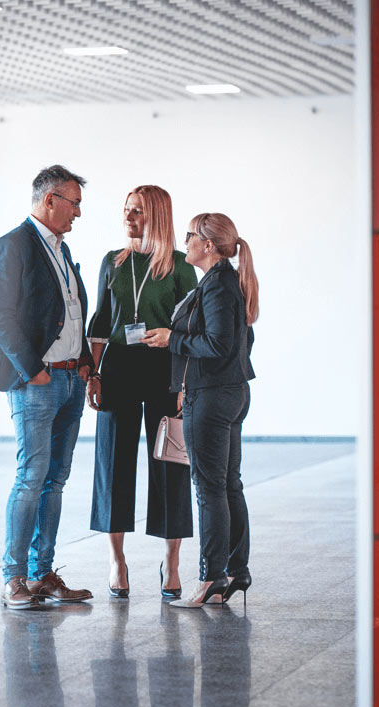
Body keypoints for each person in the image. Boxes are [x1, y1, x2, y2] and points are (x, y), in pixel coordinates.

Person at [0, 165, 96, 610]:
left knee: (55, 480)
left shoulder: (62, 250)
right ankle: (14, 578)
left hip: (69, 378)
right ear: (50, 200)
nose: (78, 214)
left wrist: (85, 363)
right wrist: (33, 371)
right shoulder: (13, 245)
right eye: (74, 203)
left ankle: (42, 573)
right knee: (31, 479)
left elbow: (70, 313)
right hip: (38, 381)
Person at [142, 212, 258, 608]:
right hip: (228, 393)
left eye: (190, 235)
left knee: (210, 489)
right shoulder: (223, 282)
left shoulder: (218, 285)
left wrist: (172, 339)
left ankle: (211, 578)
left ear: (208, 245)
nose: (185, 240)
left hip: (210, 397)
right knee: (228, 485)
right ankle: (234, 571)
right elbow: (243, 339)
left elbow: (219, 344)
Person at [85, 185, 196, 599]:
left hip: (165, 367)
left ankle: (172, 561)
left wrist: (186, 382)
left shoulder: (182, 267)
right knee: (113, 464)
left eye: (138, 212)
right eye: (126, 210)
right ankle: (117, 560)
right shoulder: (112, 263)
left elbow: (191, 328)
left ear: (158, 217)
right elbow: (99, 321)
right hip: (118, 367)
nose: (128, 218)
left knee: (170, 462)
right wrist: (93, 374)